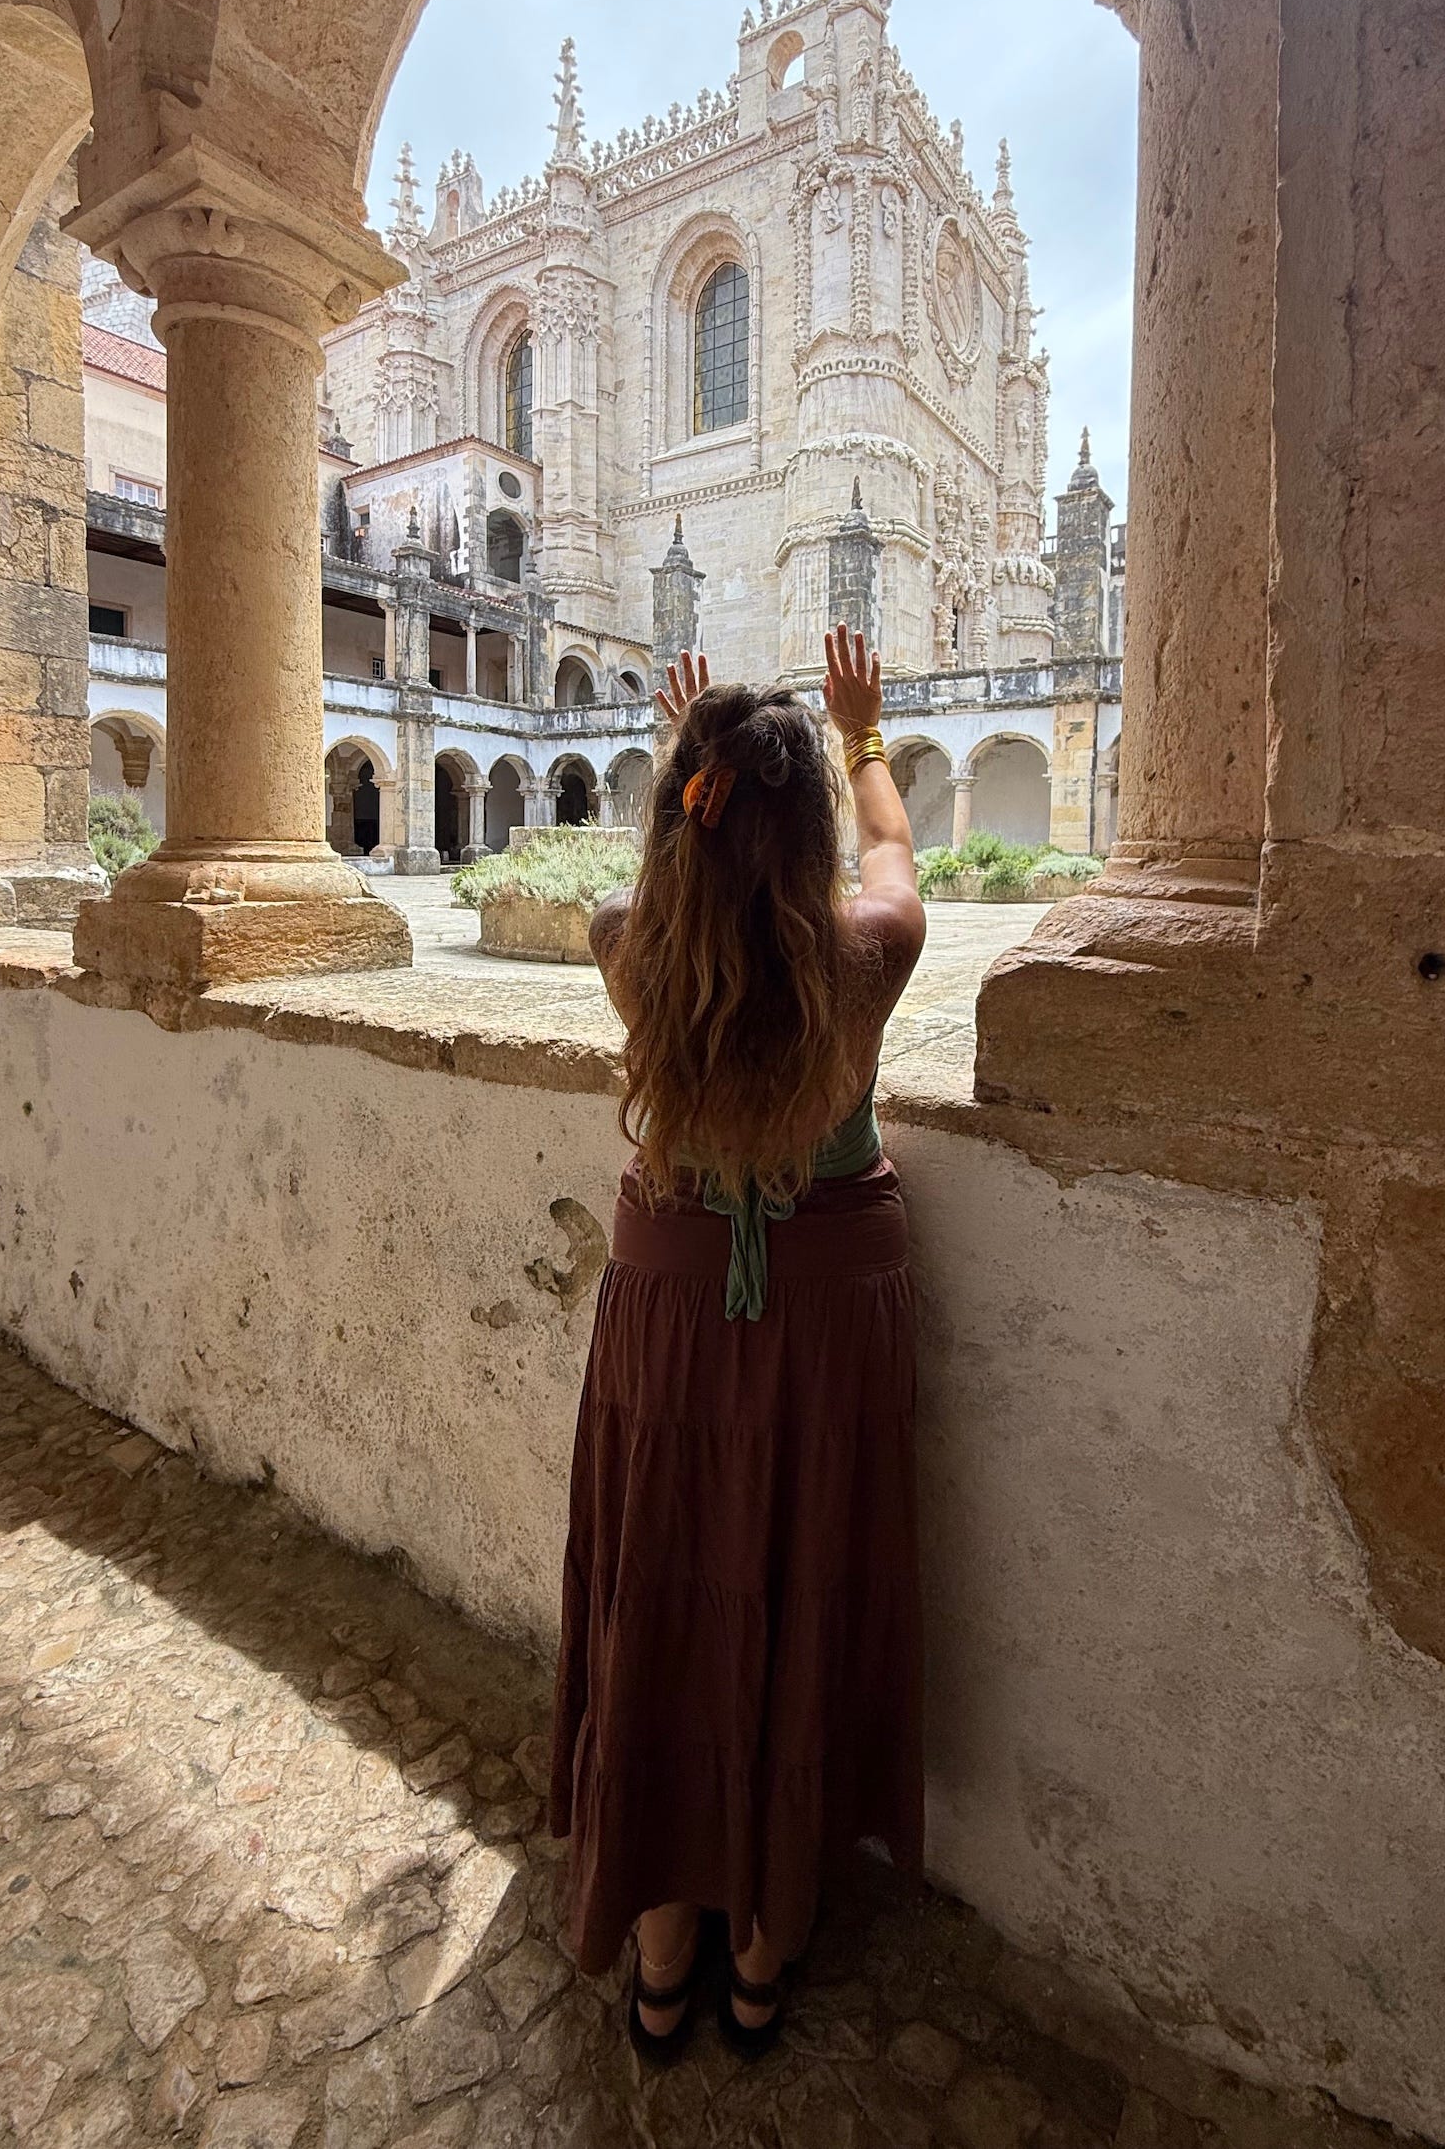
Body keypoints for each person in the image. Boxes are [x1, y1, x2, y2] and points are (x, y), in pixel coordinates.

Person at [548, 625, 928, 2061]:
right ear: (805, 827)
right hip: (830, 1304)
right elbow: (892, 851)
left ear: (683, 821)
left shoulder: (624, 948)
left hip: (673, 1301)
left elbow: (667, 879)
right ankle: (761, 1962)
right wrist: (864, 734)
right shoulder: (870, 954)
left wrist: (679, 761)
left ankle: (659, 1961)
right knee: (803, 1575)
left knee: (670, 1578)